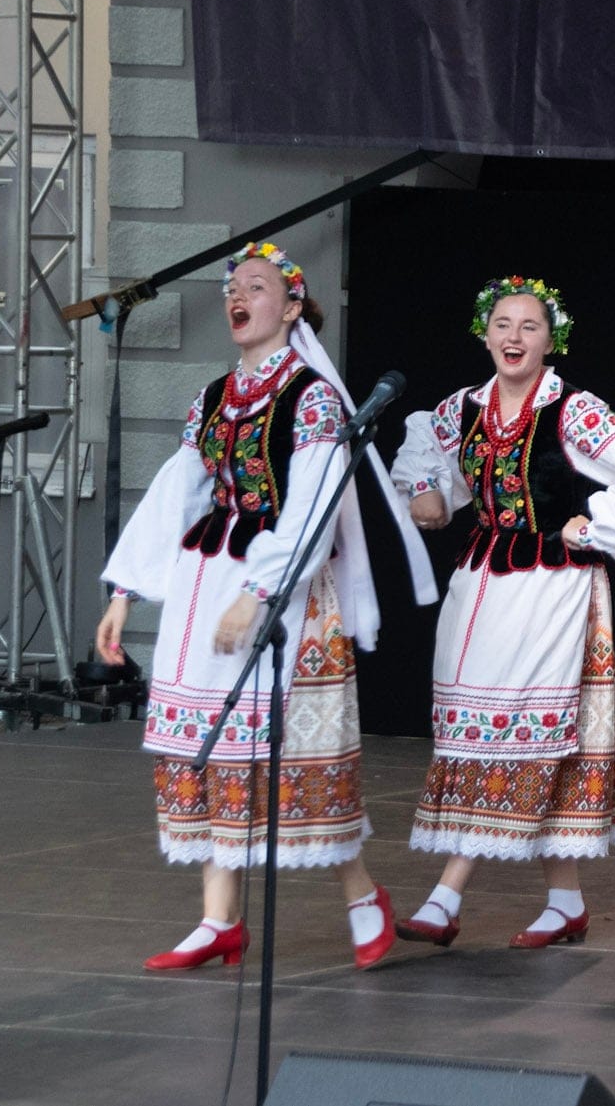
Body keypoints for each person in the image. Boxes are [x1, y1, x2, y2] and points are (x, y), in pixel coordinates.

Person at [95, 241, 436, 972]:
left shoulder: (311, 397)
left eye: (255, 286)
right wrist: (124, 592)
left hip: (285, 595)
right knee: (211, 745)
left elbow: (313, 507)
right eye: (232, 288)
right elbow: (178, 492)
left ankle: (363, 896)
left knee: (293, 763)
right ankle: (218, 919)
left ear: (290, 306)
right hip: (205, 585)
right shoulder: (215, 396)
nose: (237, 297)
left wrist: (259, 594)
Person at [390, 277, 615, 949]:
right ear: (484, 334)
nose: (514, 337)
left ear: (551, 340)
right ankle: (565, 901)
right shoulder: (464, 408)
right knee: (493, 733)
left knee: (526, 730)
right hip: (482, 585)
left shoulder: (571, 409)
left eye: (530, 326)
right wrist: (426, 491)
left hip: (552, 586)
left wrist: (595, 525)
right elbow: (425, 456)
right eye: (503, 324)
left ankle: (446, 896)